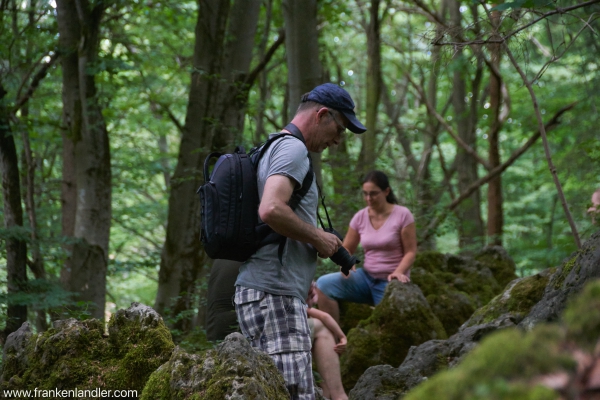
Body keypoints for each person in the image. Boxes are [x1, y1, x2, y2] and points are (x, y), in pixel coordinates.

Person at [234, 83, 366, 399]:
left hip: (267, 290)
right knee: (296, 395)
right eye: (340, 128)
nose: (337, 140)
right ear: (322, 114)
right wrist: (318, 237)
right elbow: (271, 209)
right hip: (273, 294)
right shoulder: (293, 149)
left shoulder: (271, 147)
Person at [316, 170, 417, 324]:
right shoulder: (360, 217)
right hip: (365, 278)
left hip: (390, 282)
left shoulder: (403, 215)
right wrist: (346, 264)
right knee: (323, 284)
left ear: (386, 191)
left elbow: (410, 252)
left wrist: (398, 272)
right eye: (365, 194)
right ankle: (335, 340)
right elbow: (347, 248)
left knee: (389, 325)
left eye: (374, 194)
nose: (369, 198)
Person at [306, 283, 348, 400]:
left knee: (323, 384)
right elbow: (325, 317)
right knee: (322, 327)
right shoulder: (301, 306)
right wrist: (342, 336)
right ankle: (339, 396)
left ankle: (327, 393)